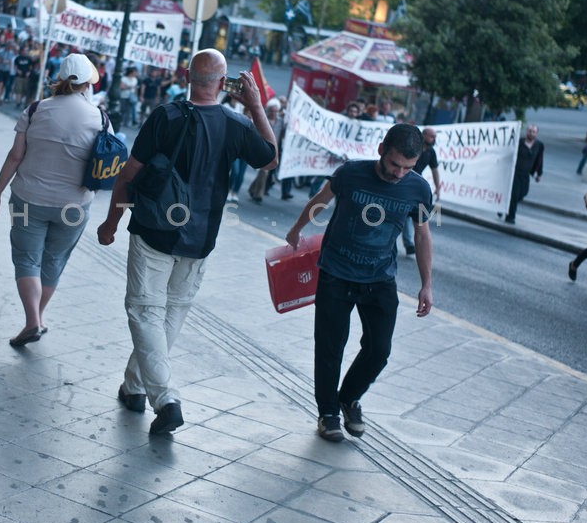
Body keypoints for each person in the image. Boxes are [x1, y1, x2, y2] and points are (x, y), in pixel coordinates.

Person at [97, 49, 277, 434]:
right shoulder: (235, 124)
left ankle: (165, 399)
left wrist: (111, 222)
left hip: (154, 229)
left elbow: (128, 174)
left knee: (145, 311)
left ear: (187, 77)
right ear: (224, 83)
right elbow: (269, 158)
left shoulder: (166, 116)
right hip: (201, 237)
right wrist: (256, 106)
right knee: (170, 313)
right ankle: (134, 387)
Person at [286, 124, 433, 442]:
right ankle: (328, 413)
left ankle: (349, 397)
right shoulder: (350, 173)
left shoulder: (419, 189)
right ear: (381, 150)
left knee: (379, 350)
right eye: (394, 164)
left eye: (408, 167)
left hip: (380, 279)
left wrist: (426, 284)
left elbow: (422, 235)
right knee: (330, 347)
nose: (399, 173)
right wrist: (297, 229)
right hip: (336, 274)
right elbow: (321, 201)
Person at [0, 54, 105, 347]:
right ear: (87, 83)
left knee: (27, 259)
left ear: (60, 78)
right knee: (54, 260)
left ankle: (32, 321)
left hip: (29, 199)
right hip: (74, 205)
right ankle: (37, 319)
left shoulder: (36, 109)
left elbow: (15, 156)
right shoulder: (100, 118)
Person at [401, 127, 441, 255]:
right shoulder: (412, 145)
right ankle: (408, 242)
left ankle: (408, 243)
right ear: (424, 135)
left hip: (415, 184)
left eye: (435, 137)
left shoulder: (431, 152)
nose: (434, 139)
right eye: (432, 136)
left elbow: (435, 170)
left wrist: (437, 187)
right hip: (402, 179)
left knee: (410, 212)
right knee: (405, 211)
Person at [505, 124, 544, 224]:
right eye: (530, 131)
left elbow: (539, 160)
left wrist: (539, 174)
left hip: (526, 174)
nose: (531, 133)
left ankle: (505, 205)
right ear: (527, 132)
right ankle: (510, 217)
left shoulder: (539, 145)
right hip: (516, 172)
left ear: (536, 133)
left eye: (534, 132)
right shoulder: (519, 142)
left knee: (523, 193)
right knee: (515, 194)